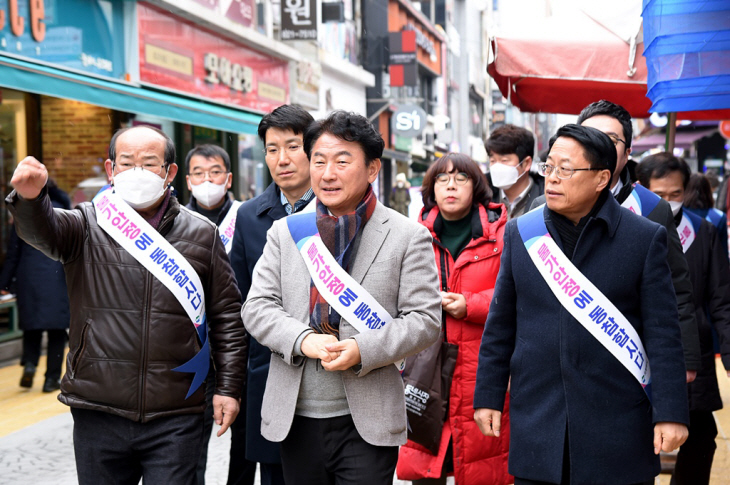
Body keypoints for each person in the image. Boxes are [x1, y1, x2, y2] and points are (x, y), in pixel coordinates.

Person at [6, 125, 247, 485]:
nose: (137, 171)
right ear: (110, 169)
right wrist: (29, 200)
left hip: (178, 411)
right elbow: (45, 231)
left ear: (170, 172)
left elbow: (226, 316)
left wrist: (228, 387)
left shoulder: (201, 233)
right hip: (97, 406)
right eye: (127, 162)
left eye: (149, 163)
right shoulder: (86, 223)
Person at [475, 124, 689, 484]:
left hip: (618, 425)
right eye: (549, 167)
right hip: (539, 420)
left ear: (602, 178)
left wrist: (670, 411)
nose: (554, 178)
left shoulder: (643, 238)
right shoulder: (522, 232)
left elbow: (663, 333)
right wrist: (488, 395)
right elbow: (501, 325)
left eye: (567, 169)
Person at [242, 110, 442, 485]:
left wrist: (362, 349)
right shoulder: (286, 232)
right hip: (296, 416)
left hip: (367, 419)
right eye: (318, 160)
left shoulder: (405, 235)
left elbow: (425, 320)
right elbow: (256, 307)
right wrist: (303, 339)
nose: (327, 173)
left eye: (342, 160)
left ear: (372, 169)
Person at [531, 100, 701, 381]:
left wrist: (687, 358)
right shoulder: (542, 208)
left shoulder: (651, 208)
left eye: (609, 139)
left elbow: (677, 290)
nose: (596, 143)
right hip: (555, 361)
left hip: (628, 359)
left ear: (628, 152)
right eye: (587, 135)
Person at [396, 153, 511, 485]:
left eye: (461, 178)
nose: (451, 185)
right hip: (425, 367)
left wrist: (469, 305)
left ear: (476, 187)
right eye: (442, 179)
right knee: (425, 468)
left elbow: (516, 297)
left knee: (480, 466)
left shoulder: (502, 234)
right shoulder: (412, 235)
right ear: (431, 188)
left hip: (480, 367)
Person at [229, 104, 316, 485]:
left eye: (292, 146)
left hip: (332, 367)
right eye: (271, 148)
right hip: (269, 373)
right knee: (276, 473)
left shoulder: (341, 208)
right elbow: (239, 300)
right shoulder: (250, 216)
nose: (281, 159)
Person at [636, 153, 730, 485]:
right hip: (640, 353)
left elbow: (721, 298)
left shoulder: (702, 231)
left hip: (694, 357)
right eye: (659, 195)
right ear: (642, 189)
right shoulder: (630, 229)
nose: (669, 202)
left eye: (675, 195)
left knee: (701, 436)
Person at [184, 143, 241, 485]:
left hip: (240, 351)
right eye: (199, 174)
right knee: (189, 457)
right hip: (193, 357)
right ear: (186, 180)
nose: (208, 180)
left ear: (229, 178)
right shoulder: (172, 222)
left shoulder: (248, 219)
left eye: (215, 172)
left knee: (248, 450)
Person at [0, 179, 71, 393]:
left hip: (28, 277)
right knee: (58, 331)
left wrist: (4, 283)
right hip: (57, 278)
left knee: (32, 327)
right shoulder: (65, 213)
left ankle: (30, 365)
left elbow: (13, 253)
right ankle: (51, 379)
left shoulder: (24, 215)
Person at [485, 124, 543, 219]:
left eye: (504, 160)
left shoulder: (544, 201)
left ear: (526, 163)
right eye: (492, 161)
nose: (497, 167)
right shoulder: (483, 197)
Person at [684, 173, 729, 260]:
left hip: (684, 266)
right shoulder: (718, 217)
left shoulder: (679, 214)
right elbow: (723, 254)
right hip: (710, 266)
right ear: (709, 191)